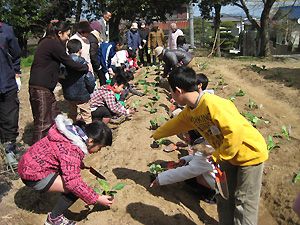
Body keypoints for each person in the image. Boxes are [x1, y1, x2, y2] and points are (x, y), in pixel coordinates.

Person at [152, 66, 269, 225]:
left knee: (244, 201)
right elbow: (177, 124)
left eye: (171, 92)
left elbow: (235, 133)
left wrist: (218, 156)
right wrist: (158, 133)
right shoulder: (191, 111)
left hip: (249, 154)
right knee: (224, 195)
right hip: (227, 154)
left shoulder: (214, 104)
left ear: (178, 90)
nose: (171, 96)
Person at [18, 114, 113, 225]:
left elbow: (59, 153)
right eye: (100, 147)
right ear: (91, 141)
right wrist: (97, 198)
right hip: (32, 174)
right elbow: (74, 184)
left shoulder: (70, 133)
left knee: (72, 181)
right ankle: (53, 219)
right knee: (75, 190)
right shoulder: (72, 149)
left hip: (26, 164)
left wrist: (77, 163)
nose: (99, 151)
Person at [29, 21, 90, 144]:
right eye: (67, 35)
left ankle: (54, 146)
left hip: (44, 88)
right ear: (59, 33)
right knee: (43, 123)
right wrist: (85, 67)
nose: (68, 38)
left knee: (56, 118)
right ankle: (36, 153)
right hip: (41, 88)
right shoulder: (53, 44)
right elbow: (68, 62)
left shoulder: (47, 41)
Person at [150, 129, 217, 204]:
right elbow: (197, 159)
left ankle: (212, 194)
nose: (183, 136)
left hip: (218, 182)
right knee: (190, 167)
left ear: (194, 135)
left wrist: (161, 178)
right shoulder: (206, 143)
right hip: (216, 174)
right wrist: (184, 160)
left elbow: (188, 171)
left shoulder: (205, 151)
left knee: (189, 178)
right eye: (183, 133)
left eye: (187, 134)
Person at [59, 39, 96, 124]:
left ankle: (71, 131)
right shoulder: (83, 63)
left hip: (69, 94)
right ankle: (87, 133)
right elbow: (90, 80)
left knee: (72, 115)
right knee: (86, 115)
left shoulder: (64, 63)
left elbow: (61, 78)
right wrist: (89, 90)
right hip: (82, 94)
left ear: (68, 51)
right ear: (80, 50)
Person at [0, 22, 21, 165]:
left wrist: (17, 72)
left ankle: (9, 147)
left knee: (10, 117)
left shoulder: (6, 30)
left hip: (6, 81)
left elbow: (16, 53)